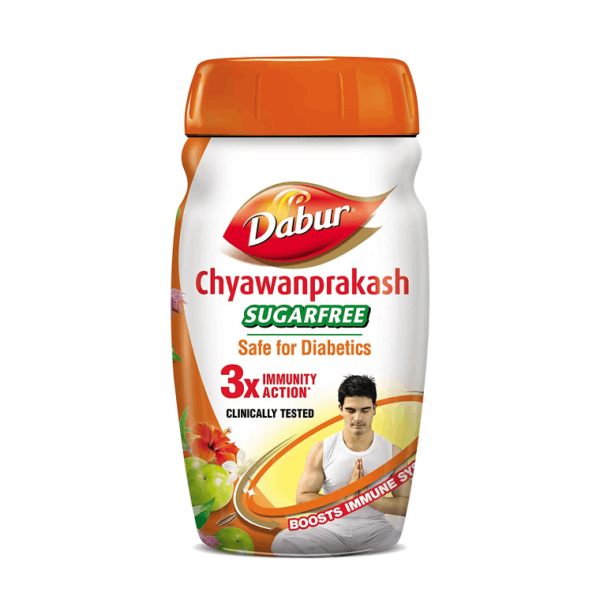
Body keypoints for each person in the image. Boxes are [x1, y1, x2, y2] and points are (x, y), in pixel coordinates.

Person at [271, 375, 411, 556]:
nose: (358, 417)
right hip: (329, 529)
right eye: (351, 410)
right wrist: (344, 500)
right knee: (282, 541)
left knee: (399, 549)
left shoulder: (393, 453)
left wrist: (369, 498)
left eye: (365, 410)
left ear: (375, 409)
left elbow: (407, 503)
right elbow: (302, 498)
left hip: (376, 531)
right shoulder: (322, 449)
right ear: (340, 409)